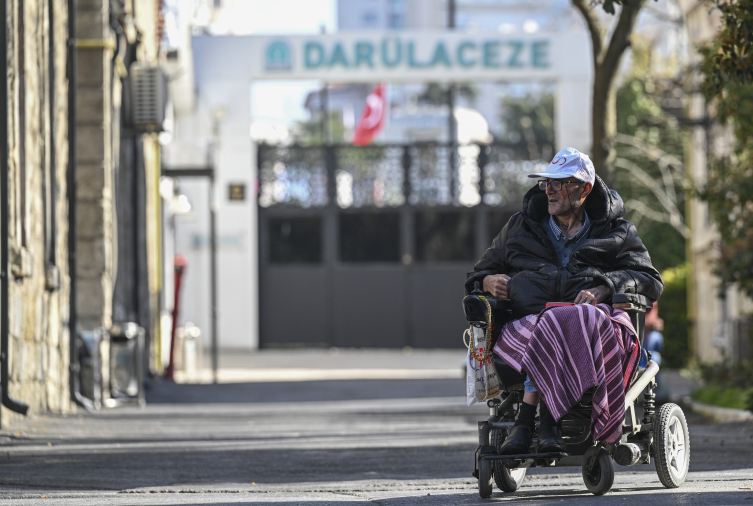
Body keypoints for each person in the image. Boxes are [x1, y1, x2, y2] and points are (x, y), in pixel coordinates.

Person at [465, 147, 664, 455]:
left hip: (589, 331)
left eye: (560, 182)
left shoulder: (617, 231)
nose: (550, 189)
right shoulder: (520, 226)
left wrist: (605, 287)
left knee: (569, 318)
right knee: (552, 321)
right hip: (526, 328)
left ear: (584, 188)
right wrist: (488, 281)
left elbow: (650, 280)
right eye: (547, 182)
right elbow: (478, 274)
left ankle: (530, 421)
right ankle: (546, 423)